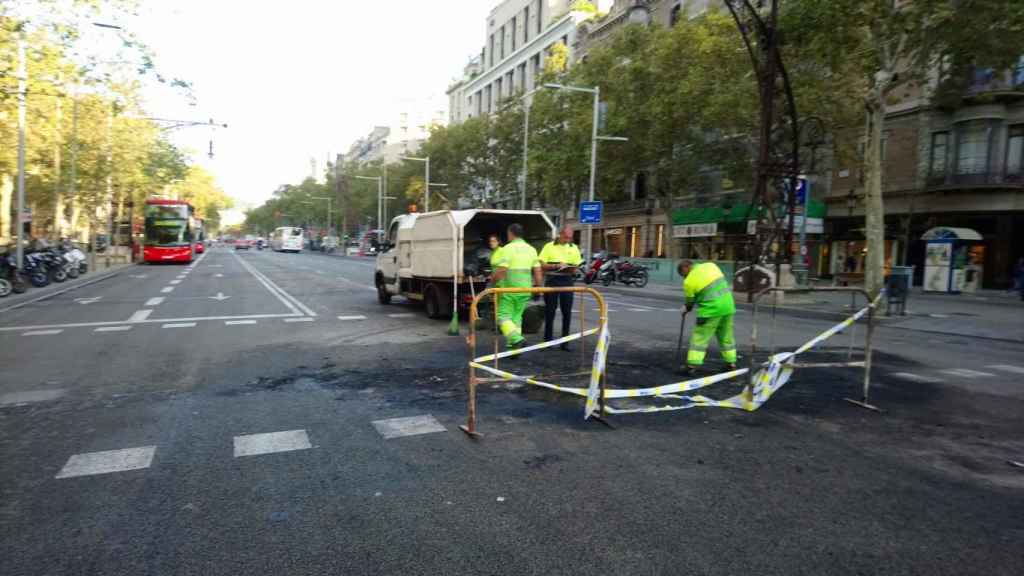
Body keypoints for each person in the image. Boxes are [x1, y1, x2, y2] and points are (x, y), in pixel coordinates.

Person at [678, 259, 737, 374]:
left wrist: (686, 308)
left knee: (699, 338)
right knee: (726, 337)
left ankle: (692, 366)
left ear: (685, 268)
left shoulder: (689, 281)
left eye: (682, 275)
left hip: (710, 311)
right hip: (728, 306)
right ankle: (731, 363)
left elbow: (690, 302)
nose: (683, 277)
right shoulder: (711, 265)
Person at [491, 223, 543, 351]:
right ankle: (514, 349)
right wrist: (538, 288)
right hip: (526, 289)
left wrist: (492, 281)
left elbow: (502, 270)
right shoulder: (531, 249)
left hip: (510, 289)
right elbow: (537, 271)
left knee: (502, 316)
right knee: (516, 317)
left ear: (510, 233)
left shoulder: (508, 248)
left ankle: (516, 339)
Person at [539, 226, 583, 351]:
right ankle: (547, 341)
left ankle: (565, 342)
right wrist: (556, 266)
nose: (568, 240)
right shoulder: (549, 246)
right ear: (560, 234)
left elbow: (576, 266)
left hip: (567, 280)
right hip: (552, 280)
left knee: (567, 312)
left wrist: (572, 268)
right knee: (550, 311)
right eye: (566, 237)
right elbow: (542, 264)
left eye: (570, 238)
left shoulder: (573, 248)